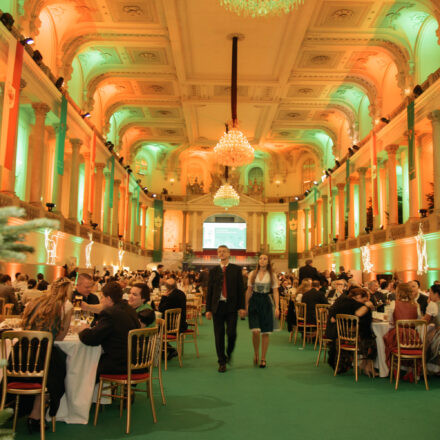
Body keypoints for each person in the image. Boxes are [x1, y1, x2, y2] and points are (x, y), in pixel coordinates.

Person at [18, 277, 73, 430]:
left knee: (48, 372)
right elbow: (60, 337)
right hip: (44, 353)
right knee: (62, 368)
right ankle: (37, 414)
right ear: (67, 291)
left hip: (22, 354)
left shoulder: (34, 302)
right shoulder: (66, 305)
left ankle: (29, 411)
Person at [79, 282, 140, 378]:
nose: (101, 301)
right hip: (136, 361)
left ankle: (83, 392)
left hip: (119, 364)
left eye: (102, 297)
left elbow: (91, 339)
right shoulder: (129, 309)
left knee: (83, 363)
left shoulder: (110, 314)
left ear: (109, 299)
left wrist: (83, 330)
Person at [206, 245, 246, 373]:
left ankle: (229, 352)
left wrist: (242, 307)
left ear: (229, 254)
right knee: (219, 335)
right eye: (219, 252)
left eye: (224, 251)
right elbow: (210, 292)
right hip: (217, 307)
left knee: (231, 333)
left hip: (231, 307)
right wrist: (208, 309)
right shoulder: (213, 271)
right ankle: (221, 361)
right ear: (217, 254)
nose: (221, 253)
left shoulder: (236, 270)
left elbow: (241, 290)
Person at [326, 288, 377, 377]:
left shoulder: (340, 302)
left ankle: (364, 365)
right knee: (371, 340)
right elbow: (358, 314)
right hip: (353, 339)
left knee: (367, 336)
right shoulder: (358, 306)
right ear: (358, 297)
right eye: (364, 300)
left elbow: (332, 319)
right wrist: (367, 306)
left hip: (337, 336)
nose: (365, 302)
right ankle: (367, 366)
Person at [246, 254, 280, 368]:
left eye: (265, 259)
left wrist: (277, 307)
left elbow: (275, 292)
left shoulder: (272, 275)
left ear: (268, 262)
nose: (262, 260)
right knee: (255, 331)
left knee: (265, 332)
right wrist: (245, 305)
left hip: (266, 301)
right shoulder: (252, 274)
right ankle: (256, 353)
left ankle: (263, 358)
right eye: (260, 258)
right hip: (254, 301)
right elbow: (249, 291)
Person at [383, 283, 421, 377]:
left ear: (398, 292)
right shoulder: (416, 305)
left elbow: (390, 320)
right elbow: (419, 320)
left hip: (398, 336)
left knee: (386, 340)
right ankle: (411, 371)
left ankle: (395, 368)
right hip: (413, 338)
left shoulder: (394, 304)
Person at [158, 278, 187, 361]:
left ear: (167, 287)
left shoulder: (169, 297)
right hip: (181, 324)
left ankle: (169, 350)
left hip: (170, 327)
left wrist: (163, 297)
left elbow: (160, 308)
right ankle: (168, 350)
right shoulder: (182, 294)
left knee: (155, 330)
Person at [424, 285, 440, 374]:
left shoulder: (433, 305)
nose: (429, 295)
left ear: (436, 294)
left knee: (426, 341)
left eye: (430, 293)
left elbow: (425, 321)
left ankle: (426, 368)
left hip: (438, 333)